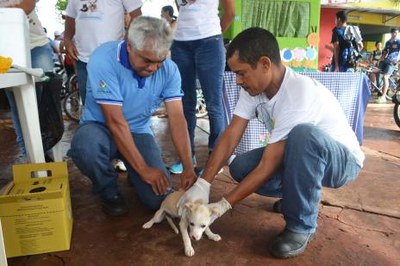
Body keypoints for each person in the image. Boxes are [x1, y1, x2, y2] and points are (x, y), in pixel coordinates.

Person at [177, 28, 365, 259]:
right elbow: (232, 132)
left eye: (242, 73)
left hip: (342, 162)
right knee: (241, 168)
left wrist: (224, 205)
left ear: (265, 64)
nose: (238, 80)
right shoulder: (254, 89)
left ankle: (301, 225)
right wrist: (204, 182)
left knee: (303, 136)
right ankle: (296, 199)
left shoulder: (299, 93)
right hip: (306, 155)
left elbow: (268, 165)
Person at [67, 16, 197, 216]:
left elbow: (178, 119)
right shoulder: (104, 59)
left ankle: (134, 171)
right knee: (86, 147)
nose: (153, 68)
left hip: (137, 131)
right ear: (129, 46)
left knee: (158, 200)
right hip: (101, 129)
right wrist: (144, 169)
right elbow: (115, 122)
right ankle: (108, 191)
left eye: (159, 61)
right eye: (147, 60)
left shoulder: (170, 70)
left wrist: (188, 166)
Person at [64, 0, 142, 171]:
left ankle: (128, 156)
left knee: (122, 110)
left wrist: (129, 43)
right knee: (93, 112)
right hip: (84, 61)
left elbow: (137, 16)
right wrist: (67, 39)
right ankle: (104, 157)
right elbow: (69, 19)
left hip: (114, 60)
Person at [169, 0, 235, 174]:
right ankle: (187, 158)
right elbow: (182, 8)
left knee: (214, 104)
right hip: (180, 43)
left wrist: (212, 32)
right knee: (185, 104)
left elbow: (230, 13)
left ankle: (215, 159)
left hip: (209, 41)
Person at [0, 0, 54, 162]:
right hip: (8, 50)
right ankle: (28, 153)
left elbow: (27, 5)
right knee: (18, 103)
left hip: (36, 46)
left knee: (45, 100)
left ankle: (46, 148)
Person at [64, 0, 142, 106]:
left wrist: (127, 41)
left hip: (113, 58)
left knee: (115, 102)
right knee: (89, 102)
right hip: (83, 59)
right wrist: (67, 40)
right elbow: (70, 17)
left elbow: (137, 16)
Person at [375, 28, 400, 103]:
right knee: (377, 72)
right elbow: (385, 53)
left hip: (393, 62)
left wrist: (398, 61)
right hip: (386, 60)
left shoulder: (398, 41)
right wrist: (379, 60)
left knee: (385, 77)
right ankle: (382, 91)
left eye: (396, 33)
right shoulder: (387, 42)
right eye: (393, 33)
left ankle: (383, 97)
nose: (394, 34)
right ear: (391, 33)